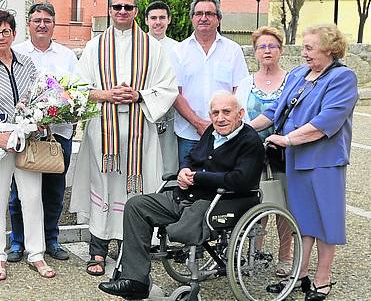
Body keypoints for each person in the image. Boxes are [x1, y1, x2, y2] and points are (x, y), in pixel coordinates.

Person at [98, 92, 265, 299]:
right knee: (136, 206)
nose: (220, 118)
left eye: (226, 112)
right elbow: (191, 157)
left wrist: (200, 177)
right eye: (215, 113)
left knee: (180, 230)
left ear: (240, 113)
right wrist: (184, 171)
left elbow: (242, 180)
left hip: (220, 201)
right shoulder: (211, 132)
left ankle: (184, 260)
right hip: (187, 195)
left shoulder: (250, 141)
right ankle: (135, 281)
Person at [70, 0, 178, 276]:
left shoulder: (152, 48)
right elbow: (77, 88)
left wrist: (138, 95)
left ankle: (130, 253)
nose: (121, 11)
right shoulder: (95, 47)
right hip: (102, 134)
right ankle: (98, 250)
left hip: (139, 132)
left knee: (136, 189)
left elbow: (168, 88)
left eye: (127, 7)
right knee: (103, 186)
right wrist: (106, 94)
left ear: (135, 11)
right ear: (109, 9)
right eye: (117, 6)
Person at [250, 24, 358, 301]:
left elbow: (325, 122)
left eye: (309, 47)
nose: (304, 53)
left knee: (324, 222)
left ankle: (322, 280)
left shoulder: (342, 78)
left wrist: (287, 140)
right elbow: (276, 111)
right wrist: (245, 130)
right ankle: (300, 274)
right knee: (301, 220)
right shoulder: (299, 74)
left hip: (324, 162)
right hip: (297, 160)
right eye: (304, 47)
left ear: (329, 48)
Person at [0, 10, 56, 281]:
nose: (1, 36)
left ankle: (36, 254)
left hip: (27, 140)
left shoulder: (26, 63)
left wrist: (41, 119)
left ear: (14, 33)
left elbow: (37, 98)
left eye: (6, 31)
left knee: (31, 198)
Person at [7, 3, 78, 262]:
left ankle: (51, 239)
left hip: (59, 134)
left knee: (54, 190)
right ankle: (18, 242)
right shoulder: (16, 53)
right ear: (29, 24)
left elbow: (76, 92)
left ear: (54, 24)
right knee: (20, 192)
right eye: (37, 20)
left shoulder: (67, 56)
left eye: (47, 20)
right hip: (26, 133)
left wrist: (58, 114)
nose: (42, 25)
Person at [235, 26, 292, 278]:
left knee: (283, 205)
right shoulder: (246, 83)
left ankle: (285, 257)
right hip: (253, 153)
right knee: (255, 203)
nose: (266, 51)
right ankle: (254, 255)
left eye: (272, 46)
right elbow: (239, 117)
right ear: (255, 53)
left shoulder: (293, 81)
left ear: (280, 50)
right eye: (261, 47)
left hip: (283, 154)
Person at [172, 0, 248, 167]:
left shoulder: (233, 50)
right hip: (189, 134)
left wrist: (220, 123)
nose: (203, 18)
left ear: (218, 19)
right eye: (199, 13)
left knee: (223, 185)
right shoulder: (179, 51)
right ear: (192, 18)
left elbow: (240, 90)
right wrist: (198, 123)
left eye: (209, 14)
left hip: (226, 134)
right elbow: (174, 94)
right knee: (189, 185)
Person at [144, 0, 180, 178]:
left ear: (169, 20)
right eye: (153, 18)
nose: (157, 22)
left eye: (162, 18)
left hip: (170, 113)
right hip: (143, 111)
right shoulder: (139, 46)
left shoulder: (178, 49)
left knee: (168, 161)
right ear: (146, 21)